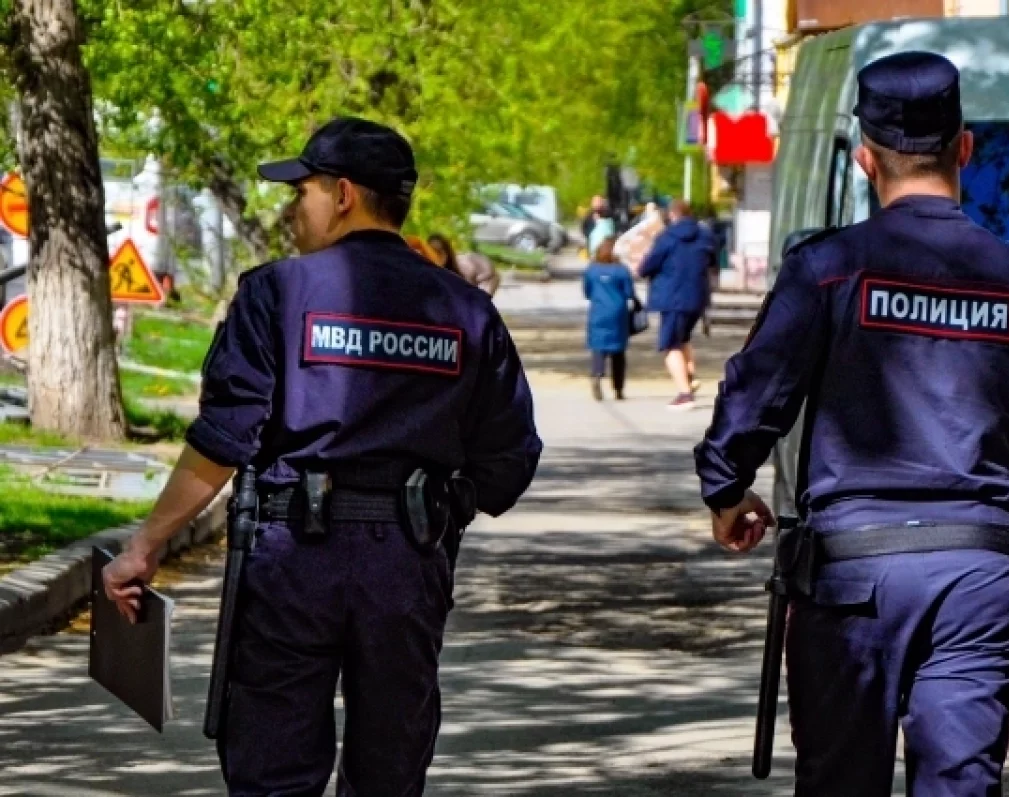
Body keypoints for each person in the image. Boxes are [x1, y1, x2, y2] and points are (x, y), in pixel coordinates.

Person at [694, 52, 1009, 796]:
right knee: (961, 783)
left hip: (852, 576)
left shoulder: (828, 268)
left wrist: (726, 488)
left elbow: (758, 388)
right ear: (965, 148)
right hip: (980, 576)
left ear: (864, 160)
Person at [101, 117, 543, 797]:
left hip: (290, 562)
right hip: (407, 563)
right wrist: (434, 510)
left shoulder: (276, 293)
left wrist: (145, 545)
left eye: (301, 190)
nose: (291, 208)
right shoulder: (466, 310)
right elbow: (509, 456)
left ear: (342, 195)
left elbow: (224, 436)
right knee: (389, 770)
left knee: (274, 771)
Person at [638, 199, 715, 411]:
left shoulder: (667, 237)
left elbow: (647, 266)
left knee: (670, 345)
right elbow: (712, 262)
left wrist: (642, 265)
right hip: (698, 297)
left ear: (672, 215)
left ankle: (684, 395)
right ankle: (689, 377)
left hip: (672, 298)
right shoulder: (705, 235)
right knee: (684, 338)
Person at [582, 236, 636, 401]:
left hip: (598, 311)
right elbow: (629, 292)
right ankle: (618, 388)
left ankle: (597, 374)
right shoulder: (621, 270)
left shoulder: (591, 270)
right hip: (618, 312)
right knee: (618, 351)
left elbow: (587, 292)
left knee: (598, 347)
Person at [427, 233, 501, 297]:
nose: (436, 256)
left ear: (447, 253)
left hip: (486, 279)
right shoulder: (427, 272)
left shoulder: (460, 271)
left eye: (439, 252)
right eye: (432, 251)